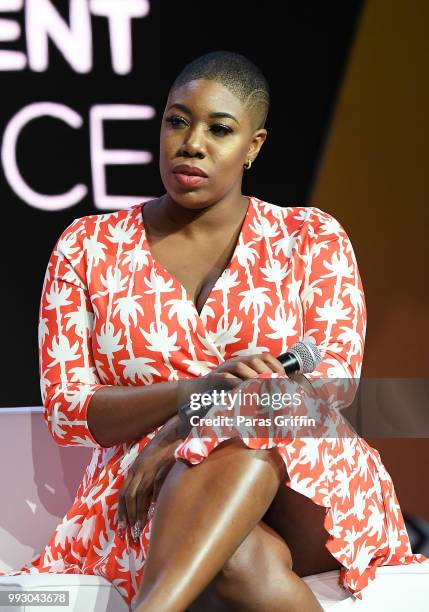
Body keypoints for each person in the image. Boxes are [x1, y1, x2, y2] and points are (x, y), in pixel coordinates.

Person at [1, 50, 427, 611]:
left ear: (254, 145)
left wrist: (184, 428)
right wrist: (191, 394)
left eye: (220, 129)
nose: (192, 142)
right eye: (178, 120)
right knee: (234, 555)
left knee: (269, 409)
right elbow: (68, 412)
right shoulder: (87, 246)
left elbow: (330, 386)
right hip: (148, 489)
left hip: (308, 477)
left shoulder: (310, 238)